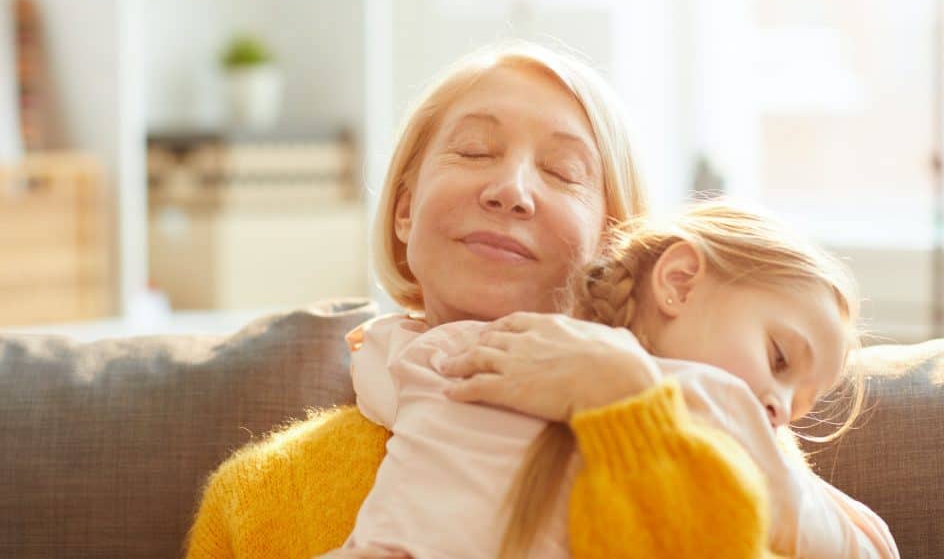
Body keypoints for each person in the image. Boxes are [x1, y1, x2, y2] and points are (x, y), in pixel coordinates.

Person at [183, 41, 896, 558]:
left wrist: (628, 406)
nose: (511, 190)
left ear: (613, 241)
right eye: (472, 151)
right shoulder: (262, 495)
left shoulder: (716, 434)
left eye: (562, 171)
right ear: (404, 213)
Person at [344, 200, 899, 558]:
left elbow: (383, 384)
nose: (778, 408)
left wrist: (382, 340)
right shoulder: (718, 401)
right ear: (679, 283)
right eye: (779, 359)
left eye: (799, 404)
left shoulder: (465, 345)